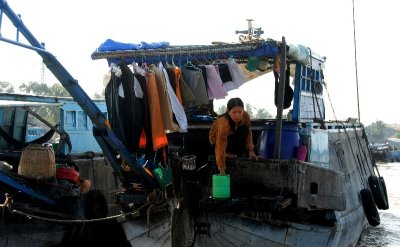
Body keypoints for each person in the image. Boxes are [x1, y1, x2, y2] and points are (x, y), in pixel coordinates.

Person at [209, 97, 258, 175]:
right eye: (234, 112)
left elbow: (248, 134)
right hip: (217, 143)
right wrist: (222, 169)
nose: (237, 115)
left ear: (243, 110)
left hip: (234, 138)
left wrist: (251, 150)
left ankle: (238, 154)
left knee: (245, 129)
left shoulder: (245, 116)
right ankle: (226, 154)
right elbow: (220, 145)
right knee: (221, 146)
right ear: (228, 112)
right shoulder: (224, 123)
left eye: (240, 112)